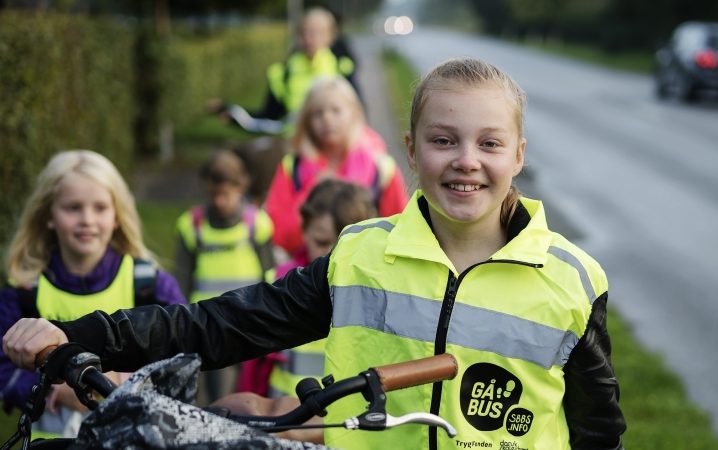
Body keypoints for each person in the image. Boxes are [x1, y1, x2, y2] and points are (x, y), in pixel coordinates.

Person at [3, 58, 626, 449]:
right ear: (411, 150)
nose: (466, 160)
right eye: (444, 140)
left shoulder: (572, 280)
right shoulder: (359, 256)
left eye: (490, 143)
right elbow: (221, 324)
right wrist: (74, 335)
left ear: (518, 154)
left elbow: (598, 431)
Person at [0, 150, 186, 439]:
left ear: (117, 215)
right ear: (48, 215)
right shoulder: (25, 292)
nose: (87, 219)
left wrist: (128, 382)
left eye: (100, 208)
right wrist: (54, 391)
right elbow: (4, 369)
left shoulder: (150, 285)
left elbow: (183, 358)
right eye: (73, 207)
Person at [237, 179, 377, 398]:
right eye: (321, 242)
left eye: (342, 245)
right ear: (304, 231)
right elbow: (252, 368)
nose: (331, 256)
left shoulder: (377, 291)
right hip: (284, 420)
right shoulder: (278, 282)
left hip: (346, 426)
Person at [174, 149, 276, 404]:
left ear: (241, 187)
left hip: (253, 319)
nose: (220, 202)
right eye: (214, 194)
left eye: (226, 194)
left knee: (253, 393)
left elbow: (270, 272)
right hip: (211, 325)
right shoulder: (192, 225)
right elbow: (182, 279)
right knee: (222, 396)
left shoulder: (257, 223)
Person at [266, 76, 408, 258]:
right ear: (307, 120)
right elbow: (280, 235)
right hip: (307, 273)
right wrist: (313, 190)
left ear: (354, 113)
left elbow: (399, 230)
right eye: (318, 113)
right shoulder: (292, 167)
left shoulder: (380, 167)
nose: (327, 119)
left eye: (336, 110)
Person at [209, 6, 358, 136]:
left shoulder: (342, 69)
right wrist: (234, 113)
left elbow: (357, 114)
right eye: (303, 33)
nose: (308, 38)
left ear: (330, 37)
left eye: (315, 32)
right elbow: (269, 118)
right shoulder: (283, 73)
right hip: (294, 148)